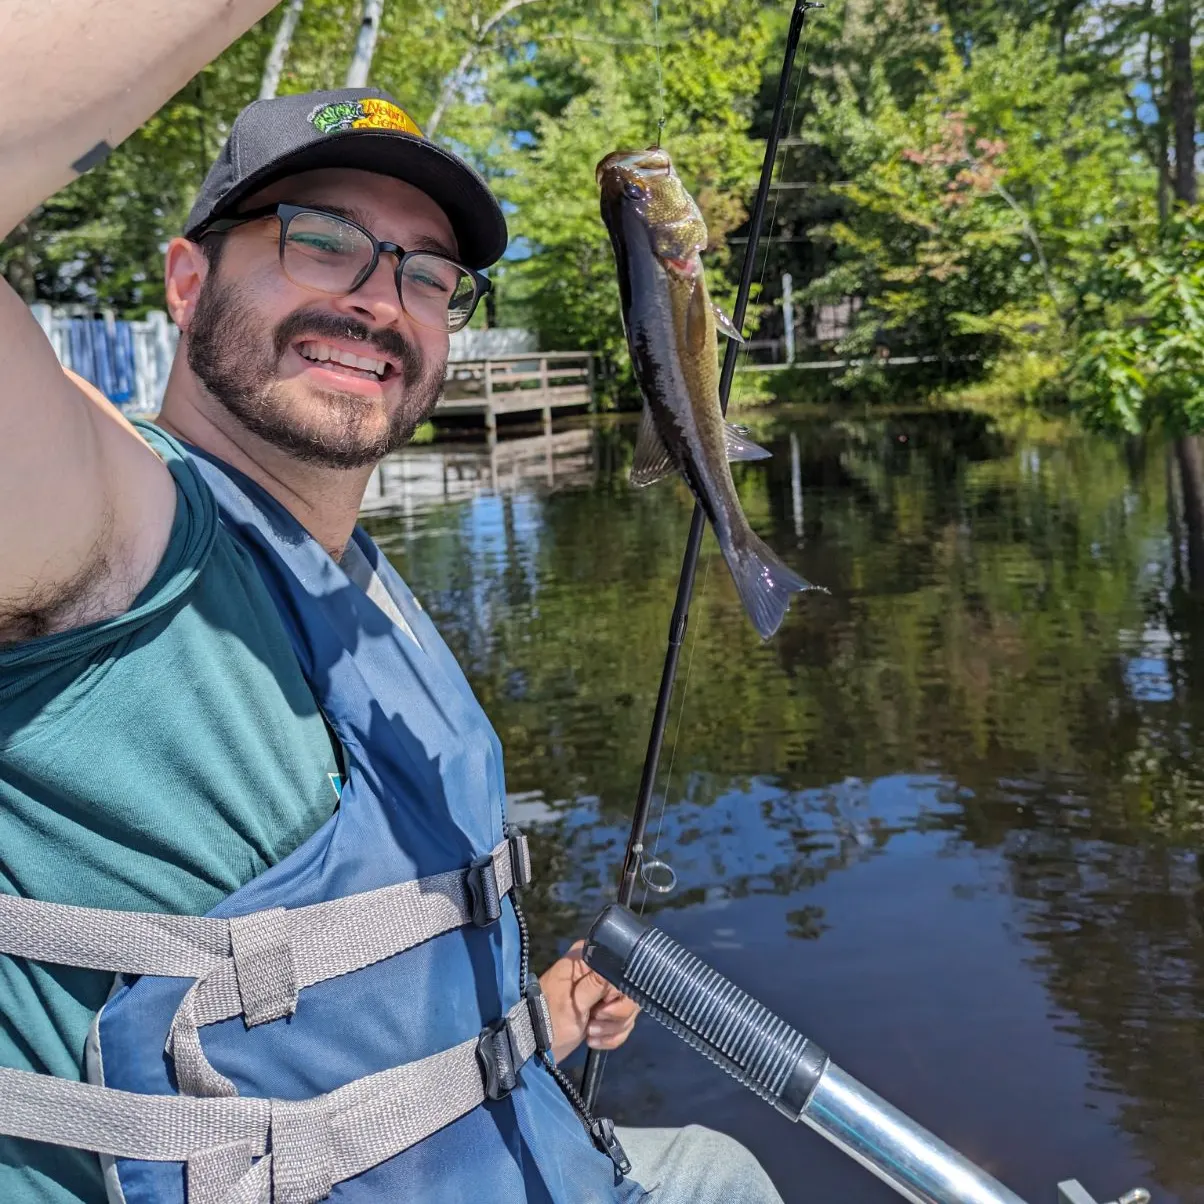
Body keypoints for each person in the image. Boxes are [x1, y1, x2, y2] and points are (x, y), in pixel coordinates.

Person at [0, 3, 785, 1203]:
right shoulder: (101, 526)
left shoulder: (358, 580)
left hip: (515, 1147)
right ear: (185, 276)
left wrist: (525, 1023)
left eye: (427, 272)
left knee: (719, 1170)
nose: (379, 297)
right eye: (322, 241)